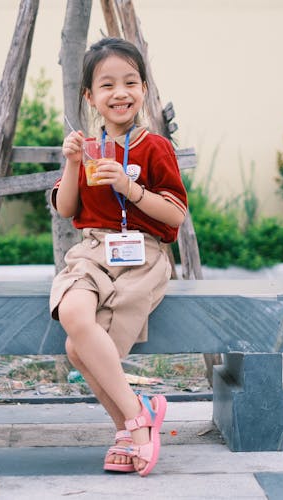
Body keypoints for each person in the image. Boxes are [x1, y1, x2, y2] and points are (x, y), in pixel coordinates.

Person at [49, 37, 188, 476]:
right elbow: (66, 209)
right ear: (90, 97)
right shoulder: (88, 148)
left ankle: (125, 428)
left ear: (144, 89)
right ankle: (138, 416)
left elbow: (176, 216)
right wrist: (71, 163)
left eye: (130, 81)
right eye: (107, 85)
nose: (120, 92)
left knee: (78, 348)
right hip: (93, 251)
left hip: (142, 254)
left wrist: (131, 189)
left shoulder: (154, 148)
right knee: (72, 310)